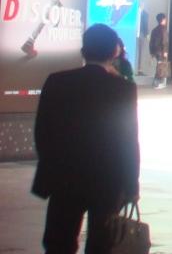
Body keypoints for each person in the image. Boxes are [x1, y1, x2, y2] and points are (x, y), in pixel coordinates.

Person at [32, 23, 140, 254]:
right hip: (107, 179)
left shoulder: (57, 82)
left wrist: (50, 166)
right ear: (114, 51)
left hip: (64, 177)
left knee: (59, 242)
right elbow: (128, 140)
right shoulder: (123, 89)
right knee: (102, 242)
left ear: (83, 50)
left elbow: (43, 131)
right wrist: (131, 184)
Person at [149, 13, 169, 88]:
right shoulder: (163, 29)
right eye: (165, 19)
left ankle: (157, 82)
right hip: (161, 51)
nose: (166, 20)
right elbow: (164, 41)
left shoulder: (154, 30)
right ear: (162, 20)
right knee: (161, 67)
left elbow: (151, 42)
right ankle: (157, 83)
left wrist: (152, 52)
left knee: (159, 66)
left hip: (156, 51)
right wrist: (165, 51)